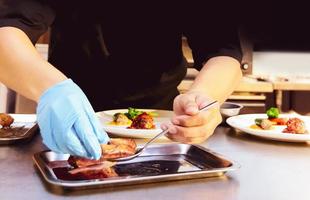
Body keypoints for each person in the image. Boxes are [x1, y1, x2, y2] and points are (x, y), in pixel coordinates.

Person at [0, 1, 242, 160]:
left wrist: (203, 96)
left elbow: (224, 52)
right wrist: (53, 90)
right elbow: (7, 31)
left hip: (161, 131)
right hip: (69, 123)